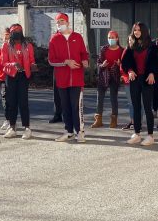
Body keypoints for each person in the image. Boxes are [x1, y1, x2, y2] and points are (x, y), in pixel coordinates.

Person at [48, 13, 89, 143]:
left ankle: (80, 132)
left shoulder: (77, 37)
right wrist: (66, 62)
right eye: (58, 22)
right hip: (62, 79)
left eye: (62, 21)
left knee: (76, 106)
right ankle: (69, 131)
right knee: (65, 106)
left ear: (67, 22)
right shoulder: (54, 39)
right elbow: (51, 60)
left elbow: (84, 53)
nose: (60, 23)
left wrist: (85, 60)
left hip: (77, 78)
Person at [122, 22, 158, 146]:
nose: (136, 32)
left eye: (138, 30)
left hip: (147, 80)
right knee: (136, 107)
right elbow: (125, 62)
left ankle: (150, 135)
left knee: (147, 108)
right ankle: (137, 134)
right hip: (135, 80)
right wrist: (130, 71)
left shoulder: (152, 46)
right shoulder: (130, 45)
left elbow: (156, 64)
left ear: (144, 31)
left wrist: (152, 73)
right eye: (135, 30)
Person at [0, 24, 36, 139]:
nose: (16, 32)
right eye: (14, 31)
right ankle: (12, 127)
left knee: (23, 102)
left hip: (23, 76)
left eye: (19, 30)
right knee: (11, 102)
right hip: (11, 76)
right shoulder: (6, 46)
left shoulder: (28, 46)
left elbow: (32, 60)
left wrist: (33, 65)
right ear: (11, 33)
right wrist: (13, 64)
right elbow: (3, 62)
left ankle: (27, 128)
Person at [92, 30, 123, 129]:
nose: (111, 39)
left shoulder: (122, 50)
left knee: (113, 98)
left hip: (115, 76)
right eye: (109, 37)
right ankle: (98, 119)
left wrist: (119, 65)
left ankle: (114, 119)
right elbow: (98, 62)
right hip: (103, 75)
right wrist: (102, 65)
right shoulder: (103, 49)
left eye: (113, 37)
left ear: (117, 39)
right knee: (99, 97)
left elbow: (125, 64)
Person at [0, 28, 10, 130]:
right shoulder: (0, 49)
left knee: (11, 100)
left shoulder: (12, 49)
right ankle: (7, 119)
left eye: (8, 35)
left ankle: (11, 120)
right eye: (5, 36)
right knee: (4, 99)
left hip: (11, 77)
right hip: (2, 77)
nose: (6, 38)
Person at [120, 35, 135, 131]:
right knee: (131, 103)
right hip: (128, 80)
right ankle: (132, 121)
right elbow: (122, 65)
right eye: (129, 40)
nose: (130, 42)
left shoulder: (140, 50)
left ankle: (138, 122)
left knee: (139, 102)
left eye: (132, 40)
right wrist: (124, 76)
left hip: (137, 80)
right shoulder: (126, 50)